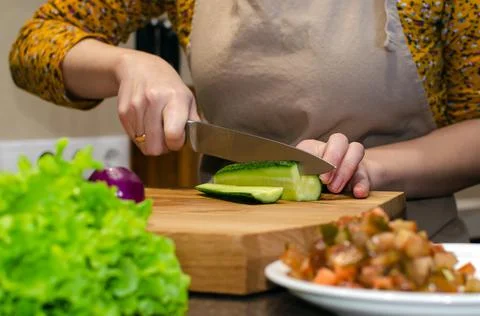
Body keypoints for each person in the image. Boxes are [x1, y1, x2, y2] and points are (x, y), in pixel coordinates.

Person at [9, 0, 480, 242]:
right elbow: (36, 44)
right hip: (232, 257)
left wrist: (370, 169)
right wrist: (126, 65)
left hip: (398, 259)